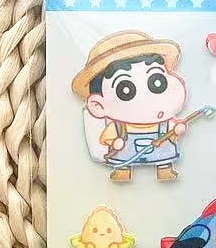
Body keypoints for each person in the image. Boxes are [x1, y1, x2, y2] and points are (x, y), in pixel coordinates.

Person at [72, 30, 188, 183]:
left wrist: (177, 129)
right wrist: (114, 142)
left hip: (160, 153)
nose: (145, 100)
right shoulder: (118, 127)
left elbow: (174, 131)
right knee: (122, 158)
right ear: (98, 105)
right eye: (125, 90)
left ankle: (164, 169)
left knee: (164, 154)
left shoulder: (164, 123)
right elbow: (108, 137)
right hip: (126, 154)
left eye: (157, 82)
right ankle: (122, 170)